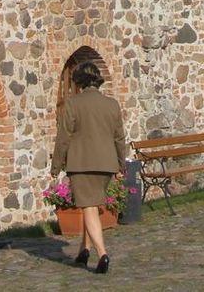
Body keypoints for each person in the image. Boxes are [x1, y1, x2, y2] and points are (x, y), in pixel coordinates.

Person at [50, 61, 126, 274]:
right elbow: (119, 138)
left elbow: (63, 137)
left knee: (89, 207)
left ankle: (102, 254)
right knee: (91, 205)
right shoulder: (112, 104)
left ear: (79, 81)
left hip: (82, 163)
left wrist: (56, 166)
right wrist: (121, 164)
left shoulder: (73, 104)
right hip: (106, 164)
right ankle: (84, 250)